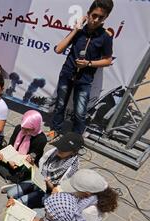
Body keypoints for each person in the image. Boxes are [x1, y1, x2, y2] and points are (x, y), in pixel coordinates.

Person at [50, 0, 114, 137]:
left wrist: (88, 63)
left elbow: (108, 60)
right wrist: (76, 29)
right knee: (60, 105)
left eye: (100, 17)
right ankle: (55, 130)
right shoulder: (79, 31)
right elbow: (58, 49)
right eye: (94, 15)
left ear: (106, 18)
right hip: (67, 74)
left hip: (85, 79)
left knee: (80, 112)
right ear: (88, 14)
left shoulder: (105, 36)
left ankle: (75, 140)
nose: (96, 20)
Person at [5, 132, 83, 209]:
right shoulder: (53, 152)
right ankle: (25, 191)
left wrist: (49, 184)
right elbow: (40, 170)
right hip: (39, 181)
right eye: (60, 146)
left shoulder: (73, 169)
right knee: (10, 194)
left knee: (17, 203)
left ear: (74, 152)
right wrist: (32, 164)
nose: (59, 149)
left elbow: (56, 192)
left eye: (64, 149)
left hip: (49, 193)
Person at [0, 110, 47, 183]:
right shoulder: (19, 128)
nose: (24, 131)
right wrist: (4, 156)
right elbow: (11, 145)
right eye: (23, 128)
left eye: (28, 129)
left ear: (36, 126)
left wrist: (17, 162)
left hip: (23, 162)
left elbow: (32, 157)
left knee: (25, 171)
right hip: (11, 157)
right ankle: (7, 174)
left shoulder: (41, 139)